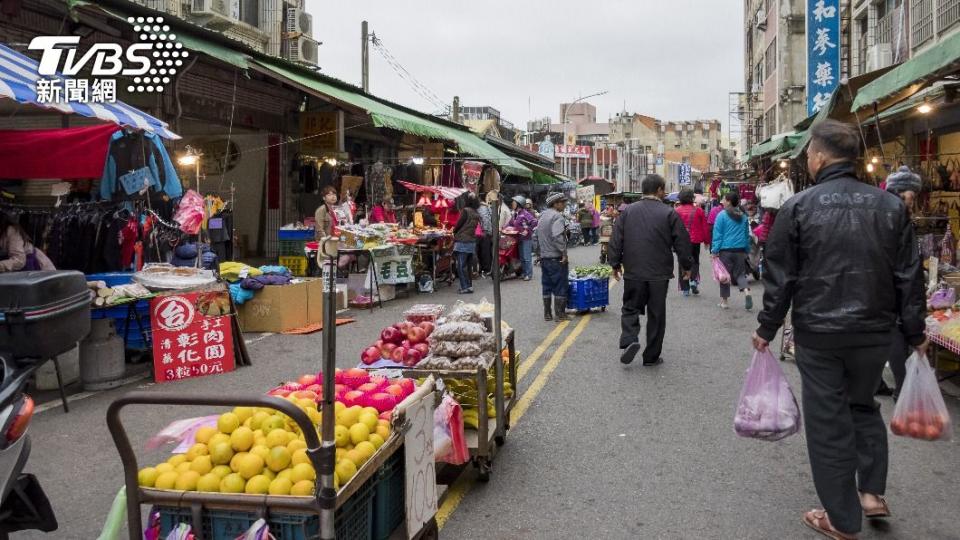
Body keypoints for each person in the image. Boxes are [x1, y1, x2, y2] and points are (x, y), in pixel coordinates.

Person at [753, 120, 927, 540]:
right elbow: (909, 275)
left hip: (819, 335)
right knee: (863, 405)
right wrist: (916, 331)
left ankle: (842, 520)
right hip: (875, 333)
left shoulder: (799, 207)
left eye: (810, 151)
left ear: (819, 156)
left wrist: (767, 327)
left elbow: (781, 278)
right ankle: (871, 494)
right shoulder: (889, 207)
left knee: (829, 421)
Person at [609, 175, 692, 366]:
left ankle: (630, 339)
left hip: (634, 271)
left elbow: (616, 239)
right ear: (660, 190)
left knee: (630, 308)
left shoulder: (628, 212)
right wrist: (687, 267)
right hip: (659, 274)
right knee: (657, 314)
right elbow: (682, 242)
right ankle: (651, 357)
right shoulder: (669, 213)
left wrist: (615, 264)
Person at [883, 165, 923, 400]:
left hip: (881, 287)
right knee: (896, 334)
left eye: (912, 197)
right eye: (905, 196)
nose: (909, 201)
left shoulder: (887, 215)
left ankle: (879, 382)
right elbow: (907, 271)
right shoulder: (898, 220)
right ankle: (901, 386)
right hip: (891, 288)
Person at [711, 191, 753, 310]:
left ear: (729, 202)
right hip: (740, 250)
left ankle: (724, 302)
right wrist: (747, 249)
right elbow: (746, 235)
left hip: (726, 251)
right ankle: (747, 292)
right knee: (740, 274)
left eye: (724, 199)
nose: (722, 201)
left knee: (724, 276)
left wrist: (715, 250)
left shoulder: (721, 215)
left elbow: (717, 235)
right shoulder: (743, 216)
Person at [535, 192, 570, 321]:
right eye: (563, 202)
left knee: (547, 285)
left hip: (545, 257)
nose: (565, 204)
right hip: (556, 257)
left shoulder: (542, 216)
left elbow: (535, 236)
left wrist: (539, 253)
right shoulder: (557, 217)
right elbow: (557, 237)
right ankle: (560, 314)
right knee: (560, 285)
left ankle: (547, 314)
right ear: (555, 204)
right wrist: (564, 253)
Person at [674, 189, 708, 296]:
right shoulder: (699, 211)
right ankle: (693, 280)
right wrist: (707, 241)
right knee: (695, 261)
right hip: (695, 240)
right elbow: (705, 228)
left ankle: (685, 289)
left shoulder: (676, 211)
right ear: (692, 198)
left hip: (681, 242)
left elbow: (672, 228)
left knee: (682, 263)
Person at [452, 192, 481, 294]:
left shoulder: (466, 211)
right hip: (471, 241)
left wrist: (454, 231)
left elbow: (459, 224)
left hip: (462, 241)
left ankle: (464, 287)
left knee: (461, 265)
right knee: (468, 266)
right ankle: (469, 286)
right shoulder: (476, 213)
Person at [509, 195, 538, 281]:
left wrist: (528, 230)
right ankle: (524, 273)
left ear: (518, 204)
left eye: (514, 203)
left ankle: (528, 274)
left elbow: (535, 221)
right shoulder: (515, 214)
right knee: (521, 257)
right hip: (518, 238)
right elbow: (510, 223)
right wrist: (502, 228)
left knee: (527, 257)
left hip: (526, 239)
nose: (512, 204)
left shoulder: (525, 213)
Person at [477, 193, 495, 277]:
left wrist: (486, 231)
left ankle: (486, 269)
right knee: (486, 251)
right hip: (488, 232)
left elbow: (486, 220)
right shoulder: (486, 207)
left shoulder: (482, 208)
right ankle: (486, 268)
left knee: (485, 252)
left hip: (485, 233)